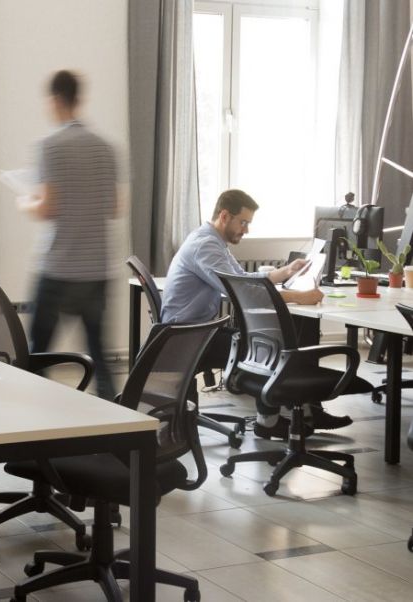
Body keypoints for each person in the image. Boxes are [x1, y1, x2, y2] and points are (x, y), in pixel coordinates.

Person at [161, 189, 352, 438]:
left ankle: (303, 410)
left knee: (272, 342)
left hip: (196, 331)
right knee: (268, 348)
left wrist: (284, 272)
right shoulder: (205, 246)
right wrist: (297, 296)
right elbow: (244, 293)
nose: (246, 230)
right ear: (224, 215)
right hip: (188, 337)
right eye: (243, 222)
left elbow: (242, 279)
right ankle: (272, 420)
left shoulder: (212, 241)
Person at [21, 70, 119, 400]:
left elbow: (48, 209)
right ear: (80, 98)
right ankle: (114, 425)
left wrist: (26, 202)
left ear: (55, 100)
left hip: (59, 268)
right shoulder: (106, 148)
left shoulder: (51, 146)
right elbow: (115, 208)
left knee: (36, 354)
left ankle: (38, 422)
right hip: (96, 269)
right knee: (100, 356)